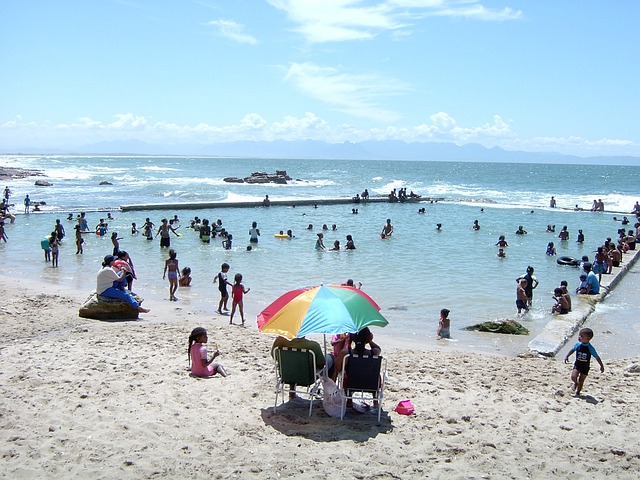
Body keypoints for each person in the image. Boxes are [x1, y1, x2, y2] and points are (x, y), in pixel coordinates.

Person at [564, 328, 605, 396]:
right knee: (573, 377)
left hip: (585, 367)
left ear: (588, 339)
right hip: (577, 365)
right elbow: (573, 350)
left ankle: (578, 392)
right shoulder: (578, 344)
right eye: (579, 335)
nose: (579, 337)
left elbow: (596, 357)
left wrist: (601, 365)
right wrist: (567, 356)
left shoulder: (590, 348)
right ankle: (575, 383)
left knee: (581, 381)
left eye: (582, 336)